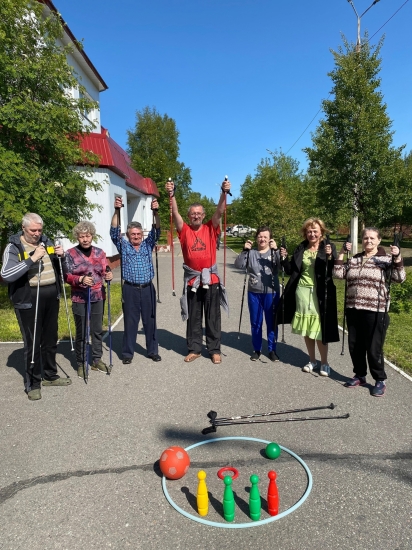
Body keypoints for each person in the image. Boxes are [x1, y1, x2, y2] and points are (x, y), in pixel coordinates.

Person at [1, 213, 72, 400]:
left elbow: (63, 270)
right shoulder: (14, 246)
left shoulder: (46, 242)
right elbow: (6, 275)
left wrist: (61, 256)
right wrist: (32, 259)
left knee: (50, 338)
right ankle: (33, 383)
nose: (37, 234)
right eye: (33, 230)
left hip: (51, 295)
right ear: (24, 228)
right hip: (28, 298)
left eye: (39, 230)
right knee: (33, 341)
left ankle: (50, 375)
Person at [334, 228, 405, 396]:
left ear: (379, 240)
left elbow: (400, 278)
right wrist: (342, 253)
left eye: (372, 238)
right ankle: (360, 375)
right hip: (353, 309)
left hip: (375, 310)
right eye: (365, 238)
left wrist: (398, 257)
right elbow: (338, 274)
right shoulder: (355, 259)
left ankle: (380, 379)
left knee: (374, 348)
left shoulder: (386, 259)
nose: (368, 241)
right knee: (355, 346)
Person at [165, 178, 230, 364]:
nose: (196, 216)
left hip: (212, 280)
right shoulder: (184, 230)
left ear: (203, 215)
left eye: (199, 213)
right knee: (193, 317)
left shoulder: (211, 228)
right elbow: (175, 213)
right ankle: (195, 349)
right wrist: (172, 194)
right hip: (193, 281)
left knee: (212, 316)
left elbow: (219, 211)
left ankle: (214, 349)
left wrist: (223, 193)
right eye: (193, 214)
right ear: (189, 216)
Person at [277, 218, 339, 376]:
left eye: (315, 231)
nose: (312, 234)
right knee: (307, 328)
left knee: (319, 328)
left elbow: (335, 270)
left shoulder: (328, 247)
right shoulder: (301, 248)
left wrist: (331, 257)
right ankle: (312, 360)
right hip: (302, 293)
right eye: (309, 231)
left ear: (321, 232)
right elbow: (292, 270)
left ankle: (324, 362)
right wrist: (284, 258)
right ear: (305, 233)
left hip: (320, 294)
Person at [110, 196, 161, 364]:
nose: (136, 236)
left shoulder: (148, 244)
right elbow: (113, 232)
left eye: (139, 234)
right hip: (130, 289)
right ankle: (127, 354)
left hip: (147, 289)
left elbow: (157, 230)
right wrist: (116, 210)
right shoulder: (124, 246)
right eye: (133, 234)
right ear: (129, 235)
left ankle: (152, 351)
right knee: (130, 322)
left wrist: (156, 212)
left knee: (150, 321)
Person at [64, 221, 113, 378]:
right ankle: (81, 362)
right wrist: (80, 280)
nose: (85, 239)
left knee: (97, 330)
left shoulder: (100, 253)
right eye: (82, 236)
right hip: (80, 298)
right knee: (82, 332)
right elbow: (66, 276)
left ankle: (96, 360)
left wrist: (109, 275)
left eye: (88, 235)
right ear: (77, 237)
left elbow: (105, 270)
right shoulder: (70, 254)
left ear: (92, 235)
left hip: (98, 296)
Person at [234, 227, 280, 362]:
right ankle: (257, 349)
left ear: (270, 239)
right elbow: (238, 265)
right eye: (260, 236)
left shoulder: (273, 252)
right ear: (256, 238)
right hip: (254, 292)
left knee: (272, 322)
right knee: (256, 322)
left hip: (271, 293)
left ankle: (272, 349)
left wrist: (276, 250)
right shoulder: (251, 253)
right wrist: (244, 251)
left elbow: (281, 267)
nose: (262, 239)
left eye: (265, 236)